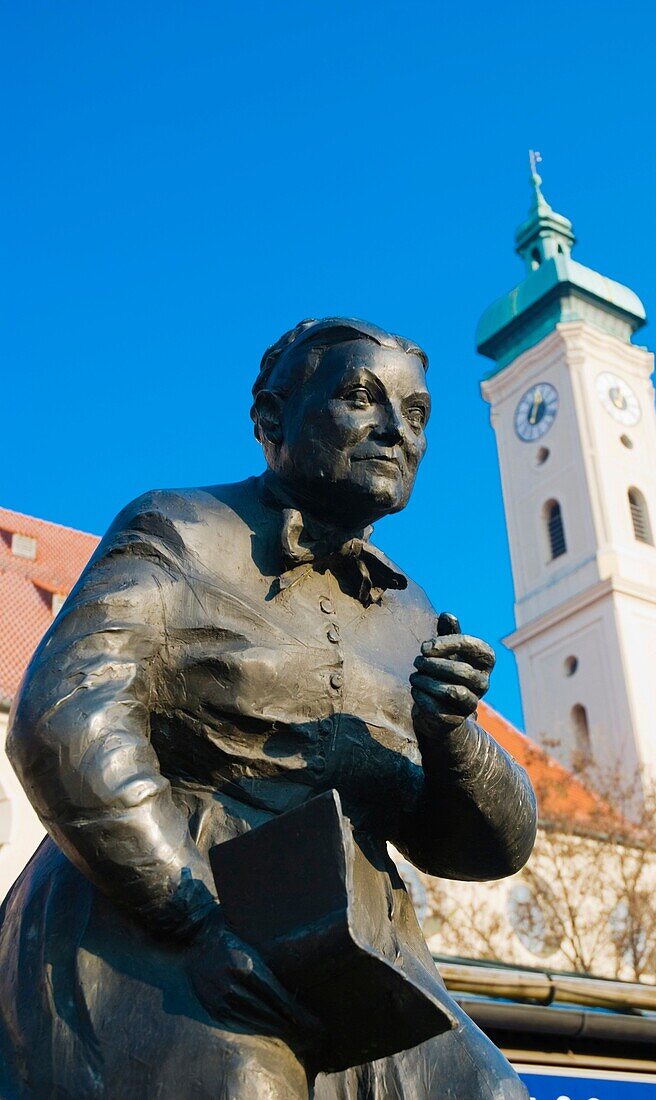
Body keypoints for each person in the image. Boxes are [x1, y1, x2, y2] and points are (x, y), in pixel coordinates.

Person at [0, 318, 537, 1099]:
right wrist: (194, 916)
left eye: (416, 413)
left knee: (490, 1095)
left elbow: (490, 850)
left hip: (350, 955)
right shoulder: (177, 531)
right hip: (156, 928)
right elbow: (67, 715)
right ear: (272, 420)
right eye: (361, 397)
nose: (394, 429)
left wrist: (450, 738)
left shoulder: (413, 613)